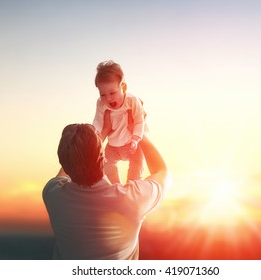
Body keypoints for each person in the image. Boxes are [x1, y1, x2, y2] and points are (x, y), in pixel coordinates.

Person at [42, 119, 169, 259]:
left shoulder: (52, 194)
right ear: (103, 159)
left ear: (64, 165)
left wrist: (101, 135)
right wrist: (140, 132)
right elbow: (161, 171)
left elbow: (68, 164)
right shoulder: (131, 199)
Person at [92, 60, 147, 184]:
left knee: (137, 162)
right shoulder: (101, 104)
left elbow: (139, 121)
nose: (108, 98)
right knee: (105, 162)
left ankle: (132, 184)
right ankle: (115, 185)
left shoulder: (132, 101)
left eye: (112, 93)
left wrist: (135, 139)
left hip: (131, 144)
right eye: (103, 94)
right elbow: (98, 121)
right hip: (113, 146)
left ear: (124, 87)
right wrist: (95, 136)